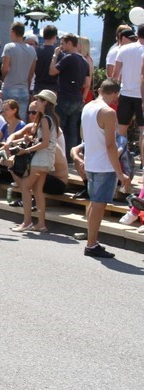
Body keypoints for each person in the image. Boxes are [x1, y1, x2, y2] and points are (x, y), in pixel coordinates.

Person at [75, 78, 131, 260]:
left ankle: (92, 242)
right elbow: (110, 145)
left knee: (94, 203)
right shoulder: (108, 112)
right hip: (103, 165)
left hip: (92, 162)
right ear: (115, 94)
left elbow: (85, 136)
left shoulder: (88, 107)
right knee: (98, 205)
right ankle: (91, 244)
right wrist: (120, 173)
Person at [10, 90, 59, 233]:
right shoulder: (51, 118)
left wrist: (26, 150)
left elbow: (44, 143)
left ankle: (27, 222)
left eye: (38, 100)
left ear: (45, 102)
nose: (36, 102)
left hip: (40, 159)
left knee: (25, 187)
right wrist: (32, 140)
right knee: (38, 190)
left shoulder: (44, 119)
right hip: (47, 159)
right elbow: (46, 141)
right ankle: (41, 223)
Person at [48, 33, 90, 159]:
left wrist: (55, 56)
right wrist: (82, 97)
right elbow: (87, 83)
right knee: (72, 130)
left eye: (63, 43)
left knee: (60, 128)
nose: (61, 46)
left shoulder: (68, 58)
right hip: (77, 98)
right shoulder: (84, 61)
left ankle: (60, 156)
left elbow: (52, 71)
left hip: (64, 97)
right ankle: (71, 157)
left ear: (70, 43)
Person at [113, 25, 144, 167]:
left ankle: (117, 159)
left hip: (125, 93)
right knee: (143, 131)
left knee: (120, 129)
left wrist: (114, 93)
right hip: (141, 95)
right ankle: (143, 164)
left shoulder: (124, 49)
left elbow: (115, 75)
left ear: (137, 34)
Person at [0, 22, 37, 119]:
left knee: (7, 119)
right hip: (24, 89)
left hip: (9, 87)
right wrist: (27, 88)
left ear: (12, 31)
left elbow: (5, 69)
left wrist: (3, 78)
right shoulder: (32, 50)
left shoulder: (9, 47)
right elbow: (31, 73)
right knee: (21, 120)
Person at [33, 24, 59, 94]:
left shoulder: (36, 51)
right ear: (54, 37)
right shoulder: (58, 53)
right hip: (52, 89)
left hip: (38, 86)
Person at [77, 36, 95, 103]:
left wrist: (84, 97)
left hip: (84, 93)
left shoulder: (87, 60)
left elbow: (88, 83)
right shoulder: (81, 58)